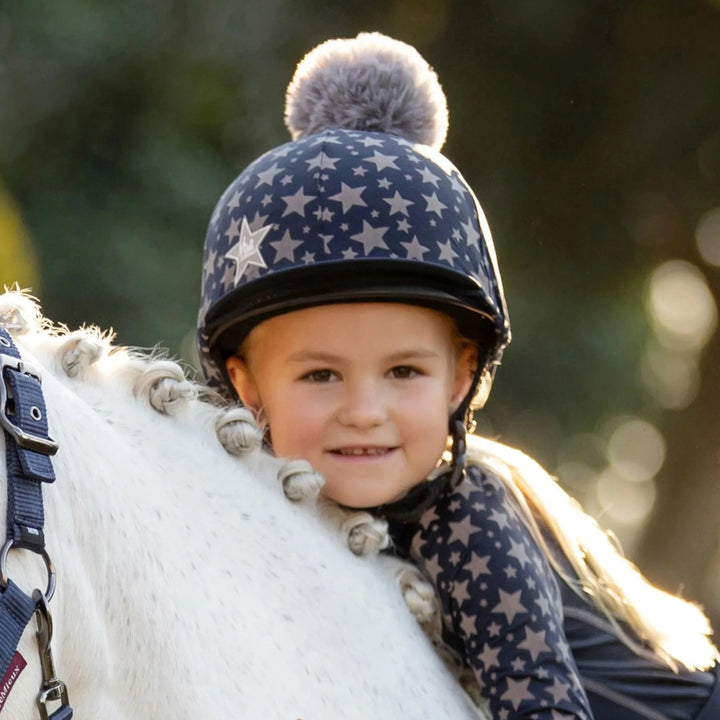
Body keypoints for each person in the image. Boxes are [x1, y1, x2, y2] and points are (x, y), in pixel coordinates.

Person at [196, 32, 720, 719]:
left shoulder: (462, 519)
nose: (364, 409)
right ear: (247, 386)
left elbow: (546, 708)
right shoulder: (287, 514)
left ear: (460, 377)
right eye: (321, 375)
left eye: (403, 371)